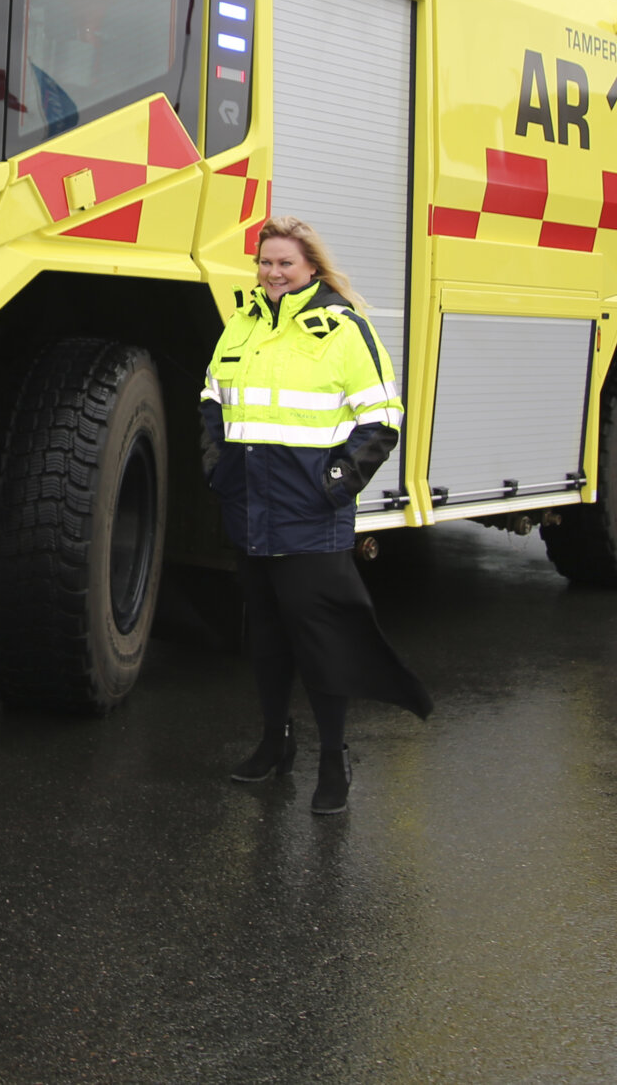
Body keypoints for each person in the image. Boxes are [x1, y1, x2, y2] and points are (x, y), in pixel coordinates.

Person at [200, 214, 432, 815]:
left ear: (310, 269)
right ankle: (276, 744)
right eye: (265, 261)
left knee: (321, 644)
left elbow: (383, 418)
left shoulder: (343, 329)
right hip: (250, 511)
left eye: (284, 263)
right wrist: (216, 470)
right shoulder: (241, 326)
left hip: (311, 519)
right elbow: (210, 403)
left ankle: (334, 758)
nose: (272, 272)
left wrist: (333, 486)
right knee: (269, 642)